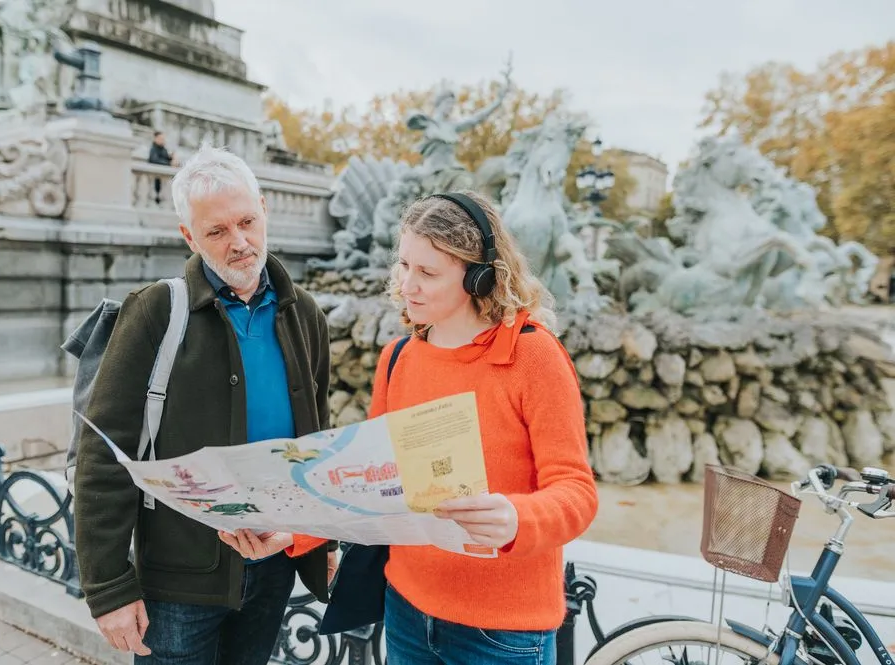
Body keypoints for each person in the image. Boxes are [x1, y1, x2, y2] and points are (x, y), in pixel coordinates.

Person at [219, 191, 599, 665]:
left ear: (479, 276)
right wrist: (290, 535)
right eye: (403, 266)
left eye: (427, 273)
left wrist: (519, 518)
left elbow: (577, 492)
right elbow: (369, 486)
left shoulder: (534, 357)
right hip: (405, 613)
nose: (406, 285)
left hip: (503, 636)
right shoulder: (397, 358)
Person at [73, 145, 338, 665]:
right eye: (217, 231)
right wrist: (109, 588)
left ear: (264, 209)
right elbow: (103, 452)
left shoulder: (304, 313)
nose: (239, 242)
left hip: (275, 562)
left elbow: (318, 438)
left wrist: (321, 540)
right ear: (189, 237)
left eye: (247, 221)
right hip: (180, 581)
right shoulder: (154, 311)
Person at [148, 131, 178, 203]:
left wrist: (172, 158)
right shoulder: (153, 149)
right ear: (155, 138)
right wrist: (169, 163)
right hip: (155, 175)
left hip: (162, 177)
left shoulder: (163, 149)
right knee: (156, 192)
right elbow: (154, 160)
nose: (163, 140)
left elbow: (166, 157)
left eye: (163, 139)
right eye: (161, 138)